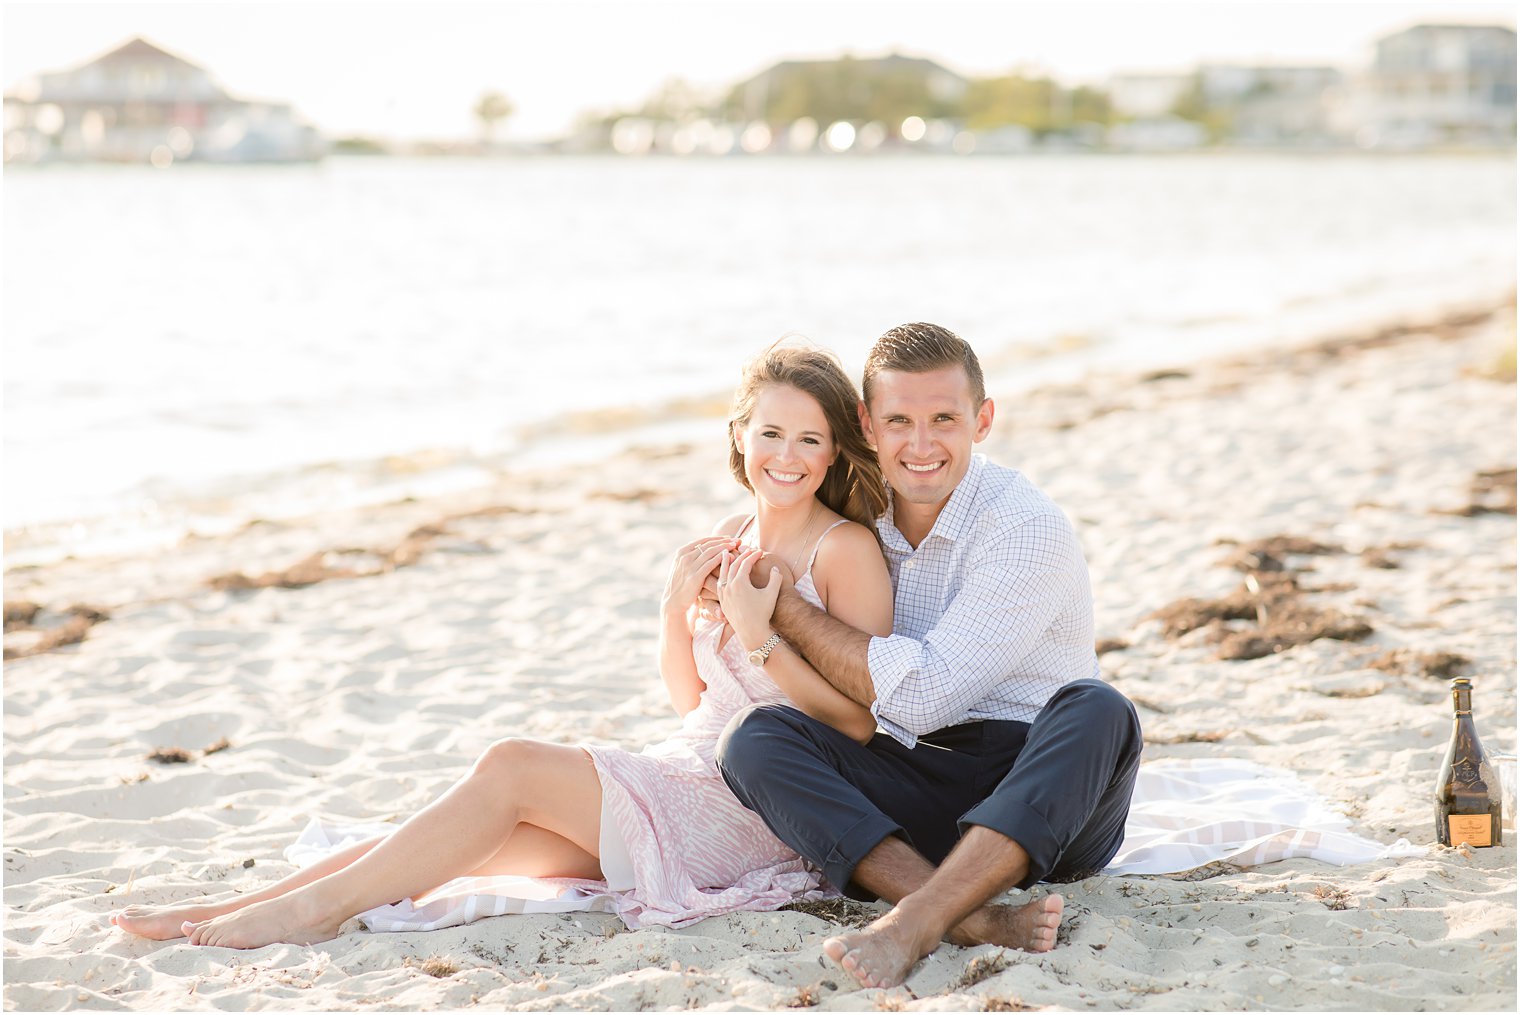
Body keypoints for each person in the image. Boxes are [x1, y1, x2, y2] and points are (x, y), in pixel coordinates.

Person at [110, 343, 896, 949]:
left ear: (832, 452)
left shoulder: (844, 550)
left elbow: (859, 728)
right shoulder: (728, 538)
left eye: (808, 438)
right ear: (738, 435)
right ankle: (234, 906)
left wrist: (760, 639)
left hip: (763, 806)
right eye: (770, 433)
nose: (785, 456)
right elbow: (695, 703)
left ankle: (311, 910)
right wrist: (669, 612)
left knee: (512, 765)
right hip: (688, 767)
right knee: (474, 838)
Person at [714, 322, 1144, 989]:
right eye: (898, 420)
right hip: (919, 774)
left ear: (983, 419)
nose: (920, 445)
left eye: (944, 418)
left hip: (1045, 791)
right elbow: (779, 497)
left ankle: (915, 921)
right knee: (753, 739)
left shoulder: (1023, 526)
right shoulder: (860, 512)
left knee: (1100, 708)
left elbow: (923, 694)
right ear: (866, 422)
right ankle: (975, 918)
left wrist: (788, 612)